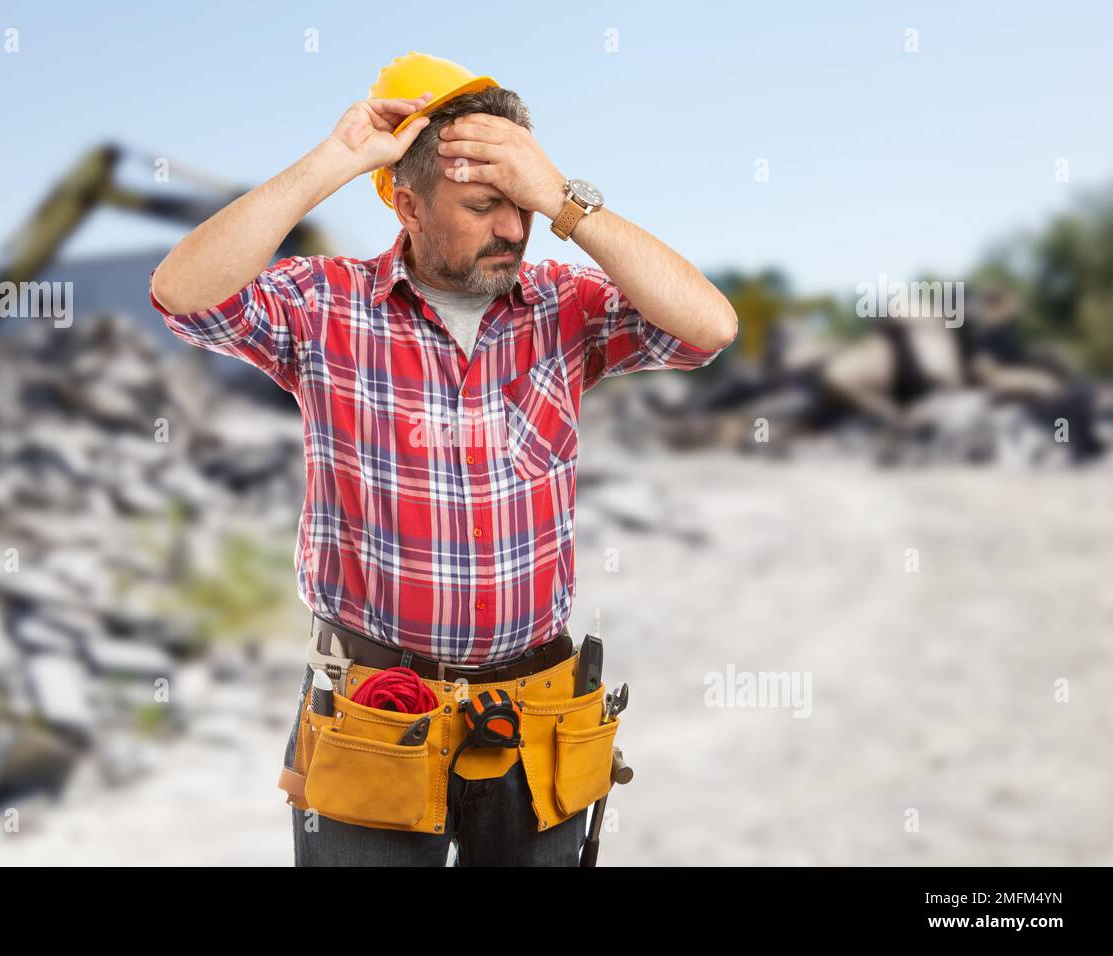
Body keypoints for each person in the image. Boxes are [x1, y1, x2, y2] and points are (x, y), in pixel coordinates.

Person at [150, 53, 737, 866]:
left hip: (536, 714)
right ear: (407, 202)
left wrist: (564, 200)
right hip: (373, 711)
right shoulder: (326, 305)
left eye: (523, 203)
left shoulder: (565, 308)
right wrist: (333, 161)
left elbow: (709, 328)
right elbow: (185, 295)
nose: (514, 228)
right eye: (485, 204)